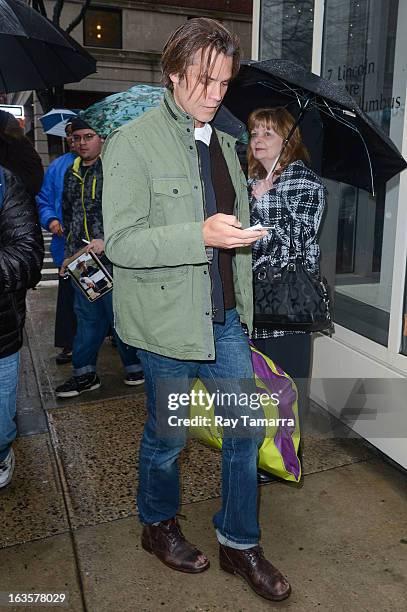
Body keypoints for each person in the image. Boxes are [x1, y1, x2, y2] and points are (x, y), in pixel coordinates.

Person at [102, 18, 291, 603]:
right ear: (174, 71)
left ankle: (239, 542)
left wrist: (240, 234)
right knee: (168, 437)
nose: (214, 94)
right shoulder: (132, 142)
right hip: (164, 327)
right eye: (204, 80)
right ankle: (157, 525)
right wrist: (202, 235)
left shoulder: (226, 143)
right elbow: (125, 242)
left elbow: (222, 225)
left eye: (224, 84)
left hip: (224, 319)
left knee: (247, 429)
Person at [248, 107, 326, 430]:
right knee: (258, 389)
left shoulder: (307, 184)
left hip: (288, 308)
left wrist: (268, 201)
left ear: (288, 141)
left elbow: (300, 239)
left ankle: (287, 455)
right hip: (254, 305)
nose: (258, 139)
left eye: (268, 133)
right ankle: (265, 451)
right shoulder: (250, 183)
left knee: (286, 389)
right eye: (254, 133)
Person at [55, 118, 144, 398]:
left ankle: (135, 366)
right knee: (89, 318)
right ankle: (84, 374)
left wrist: (108, 239)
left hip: (115, 259)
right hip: (84, 262)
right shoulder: (72, 172)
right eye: (77, 138)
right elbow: (68, 217)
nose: (81, 142)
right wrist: (69, 256)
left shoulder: (116, 170)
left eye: (88, 136)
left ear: (102, 138)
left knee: (120, 316)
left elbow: (132, 211)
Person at [0, 163, 44, 488]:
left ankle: (2, 452)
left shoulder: (4, 182)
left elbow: (28, 257)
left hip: (1, 335)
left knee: (1, 428)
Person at [36, 122, 77, 365]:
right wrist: (51, 220)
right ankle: (69, 344)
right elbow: (44, 199)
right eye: (72, 136)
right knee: (68, 299)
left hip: (99, 247)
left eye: (83, 136)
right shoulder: (58, 166)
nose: (76, 141)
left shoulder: (106, 164)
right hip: (66, 247)